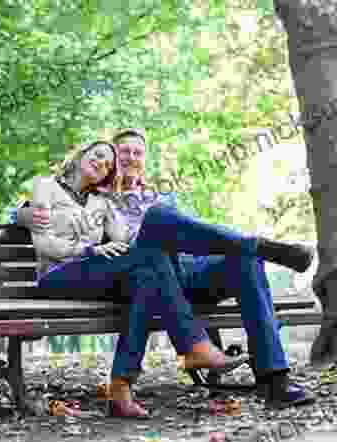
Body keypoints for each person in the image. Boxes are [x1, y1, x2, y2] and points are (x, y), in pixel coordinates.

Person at [17, 129, 316, 409]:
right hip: (150, 278)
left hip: (188, 272)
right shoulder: (99, 196)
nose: (130, 158)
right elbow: (48, 213)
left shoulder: (160, 195)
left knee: (245, 261)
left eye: (137, 153)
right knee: (158, 221)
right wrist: (21, 212)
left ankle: (275, 380)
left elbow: (195, 235)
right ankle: (254, 244)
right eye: (123, 153)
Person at [26, 141, 247, 418]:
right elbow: (43, 244)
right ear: (81, 154)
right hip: (56, 276)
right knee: (147, 266)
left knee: (146, 277)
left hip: (92, 275)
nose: (101, 164)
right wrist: (89, 249)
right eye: (97, 156)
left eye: (108, 164)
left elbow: (126, 240)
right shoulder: (45, 186)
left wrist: (153, 226)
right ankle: (193, 346)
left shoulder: (101, 202)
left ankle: (121, 387)